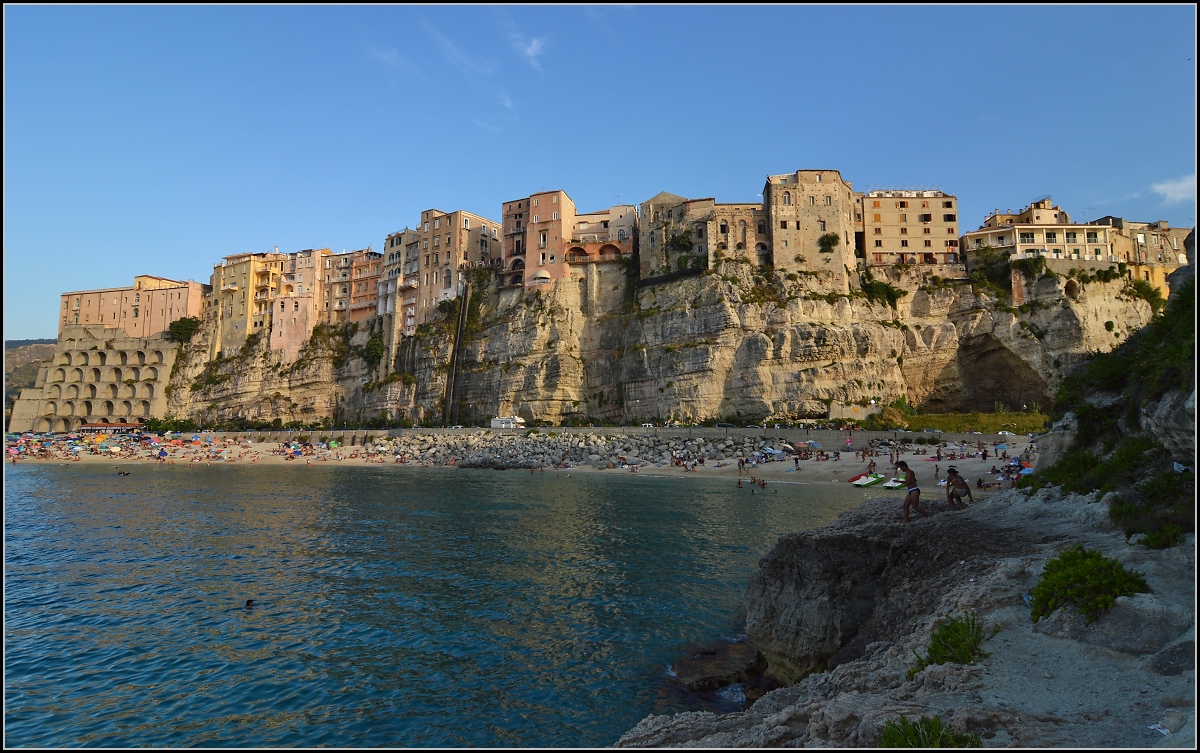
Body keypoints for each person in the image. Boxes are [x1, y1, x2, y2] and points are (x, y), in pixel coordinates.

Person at [896, 461, 928, 526]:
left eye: (901, 467)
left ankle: (928, 515)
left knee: (915, 507)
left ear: (904, 466)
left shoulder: (909, 472)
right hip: (911, 490)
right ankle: (905, 521)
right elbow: (914, 480)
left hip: (914, 490)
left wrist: (898, 481)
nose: (901, 469)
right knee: (905, 506)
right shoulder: (909, 472)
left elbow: (908, 482)